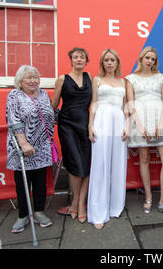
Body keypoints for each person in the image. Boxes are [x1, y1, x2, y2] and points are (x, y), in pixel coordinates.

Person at [126, 46, 163, 219]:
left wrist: (161, 123)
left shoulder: (161, 77)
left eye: (152, 59)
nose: (149, 61)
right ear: (141, 59)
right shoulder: (130, 79)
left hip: (159, 120)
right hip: (140, 121)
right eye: (147, 57)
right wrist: (139, 126)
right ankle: (148, 197)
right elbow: (131, 103)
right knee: (144, 158)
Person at [6, 65, 53, 233]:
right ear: (20, 81)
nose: (33, 81)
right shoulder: (14, 95)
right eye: (29, 78)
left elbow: (49, 116)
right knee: (23, 182)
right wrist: (23, 143)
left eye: (35, 77)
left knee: (40, 180)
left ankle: (39, 211)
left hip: (42, 145)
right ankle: (23, 215)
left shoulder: (44, 94)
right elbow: (13, 119)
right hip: (22, 146)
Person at [87, 49, 129, 229]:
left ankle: (115, 206)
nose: (110, 63)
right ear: (102, 63)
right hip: (102, 120)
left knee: (119, 164)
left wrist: (128, 124)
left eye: (112, 60)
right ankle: (97, 212)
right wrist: (90, 125)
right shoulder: (97, 80)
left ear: (117, 62)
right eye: (106, 60)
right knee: (100, 164)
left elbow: (126, 105)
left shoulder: (124, 81)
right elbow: (94, 103)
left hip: (119, 121)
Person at [52, 48, 92, 223]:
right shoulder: (62, 79)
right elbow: (53, 104)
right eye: (75, 57)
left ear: (86, 61)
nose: (79, 59)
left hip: (85, 124)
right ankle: (76, 203)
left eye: (82, 57)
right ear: (71, 60)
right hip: (67, 125)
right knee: (75, 163)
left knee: (87, 163)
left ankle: (80, 203)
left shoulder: (90, 77)